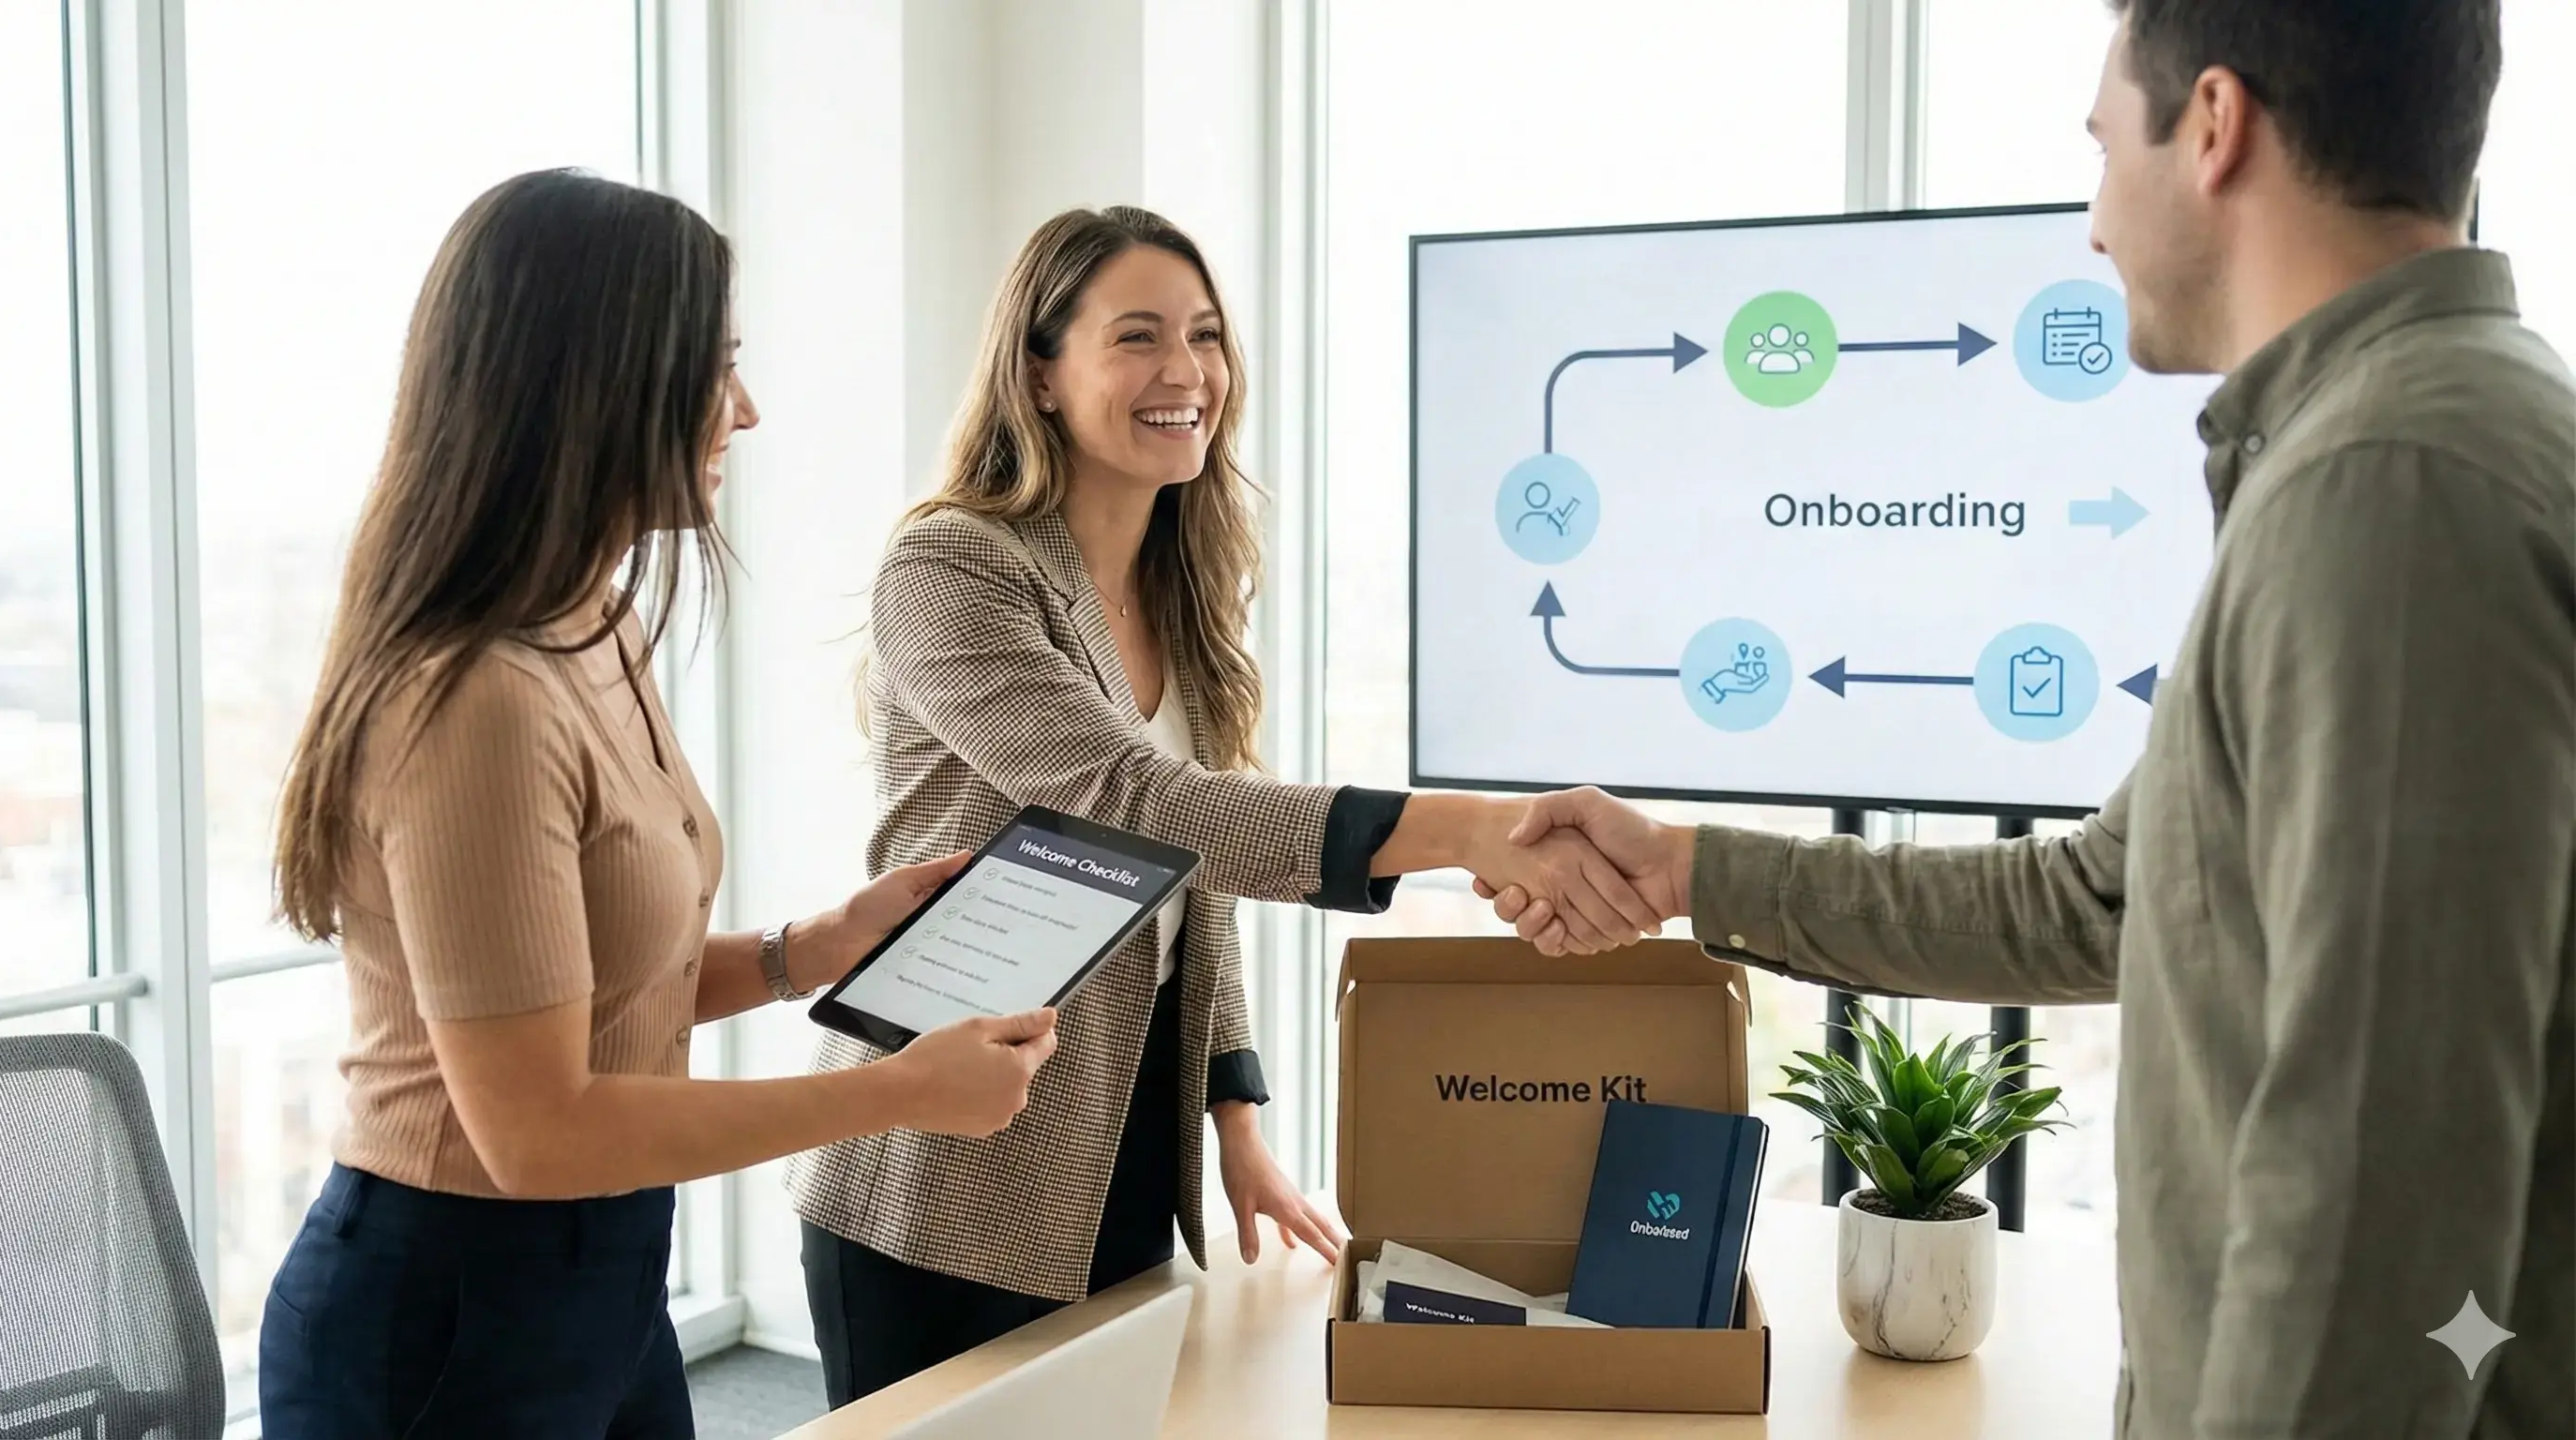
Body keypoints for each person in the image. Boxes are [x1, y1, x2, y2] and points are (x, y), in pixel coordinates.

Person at [1485, 3, 2572, 1436]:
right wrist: (1692, 871)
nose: (2093, 224)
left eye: (2102, 146)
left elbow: (2378, 1172)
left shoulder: (2389, 485)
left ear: (2215, 127)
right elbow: (2102, 901)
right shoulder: (2395, 448)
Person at [789, 205, 1663, 1405]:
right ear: (1039, 374)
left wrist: (1233, 1113)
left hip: (1120, 1140)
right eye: (1136, 336)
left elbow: (1194, 862)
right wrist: (1461, 832)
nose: (1185, 372)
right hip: (941, 1173)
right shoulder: (951, 569)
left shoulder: (1178, 590)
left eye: (1203, 335)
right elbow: (1136, 804)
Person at [257, 170, 1060, 1439]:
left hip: (604, 1271)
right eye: (713, 368)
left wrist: (814, 951)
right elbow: (536, 1129)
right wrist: (895, 1091)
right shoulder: (475, 699)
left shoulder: (595, 623)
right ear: (596, 383)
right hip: (452, 1309)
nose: (744, 409)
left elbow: (577, 994)